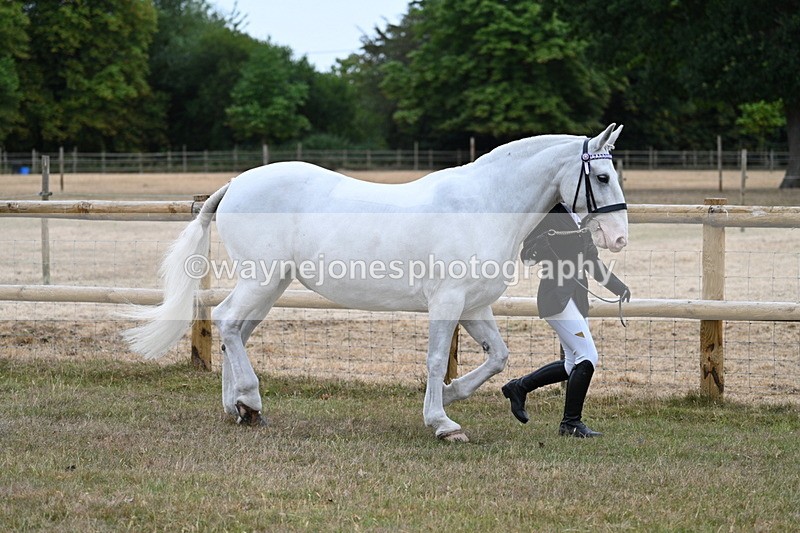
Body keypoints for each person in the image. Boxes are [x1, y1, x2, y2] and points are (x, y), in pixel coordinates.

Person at [502, 202, 630, 438]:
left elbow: (592, 262)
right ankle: (571, 423)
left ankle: (519, 387)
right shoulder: (550, 212)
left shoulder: (582, 219)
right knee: (588, 356)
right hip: (556, 296)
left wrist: (618, 287)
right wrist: (544, 245)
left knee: (573, 363)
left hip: (576, 297)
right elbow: (527, 255)